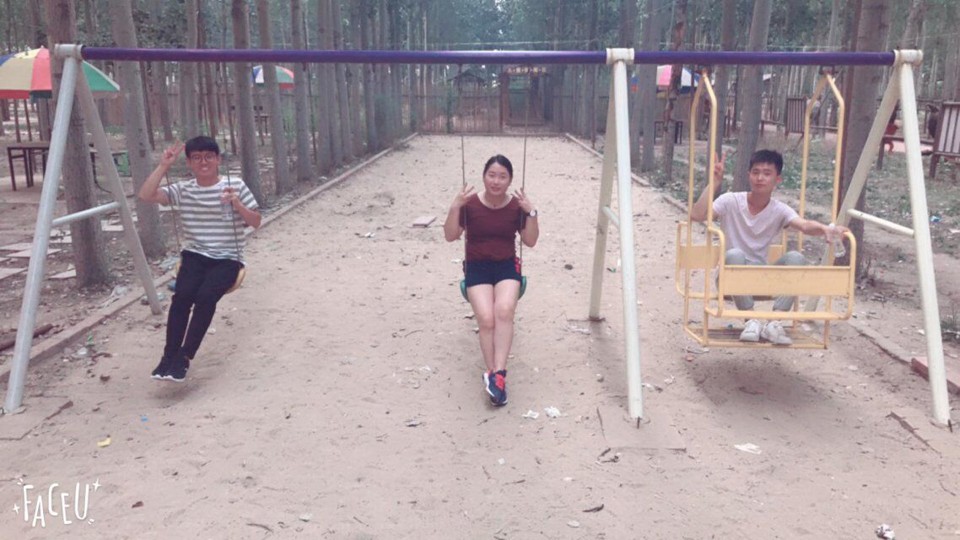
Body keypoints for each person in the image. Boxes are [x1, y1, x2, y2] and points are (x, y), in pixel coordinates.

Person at [690, 149, 848, 345]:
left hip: (761, 281)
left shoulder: (779, 209)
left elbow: (805, 225)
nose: (760, 178)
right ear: (749, 175)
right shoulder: (730, 201)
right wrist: (714, 182)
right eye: (755, 172)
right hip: (729, 280)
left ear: (777, 179)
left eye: (767, 173)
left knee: (796, 258)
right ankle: (751, 321)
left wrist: (826, 229)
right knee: (735, 254)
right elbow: (697, 215)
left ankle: (774, 323)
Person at [138, 136, 261, 382]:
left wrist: (237, 204)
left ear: (217, 160)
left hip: (228, 258)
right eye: (196, 158)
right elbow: (145, 195)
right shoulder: (184, 189)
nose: (203, 162)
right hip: (195, 255)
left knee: (205, 297)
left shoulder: (234, 185)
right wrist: (163, 166)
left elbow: (256, 222)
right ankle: (168, 356)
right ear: (189, 163)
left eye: (208, 157)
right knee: (182, 297)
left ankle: (184, 357)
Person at [443, 155, 539, 406]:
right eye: (492, 175)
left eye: (502, 177)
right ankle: (492, 372)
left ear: (510, 180)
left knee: (504, 310)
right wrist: (455, 207)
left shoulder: (516, 206)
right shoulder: (470, 204)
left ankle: (499, 375)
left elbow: (530, 241)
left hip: (506, 265)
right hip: (477, 267)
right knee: (486, 319)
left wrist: (531, 213)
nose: (496, 181)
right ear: (484, 176)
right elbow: (450, 235)